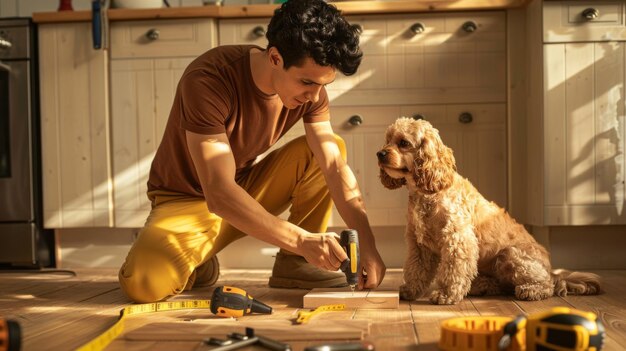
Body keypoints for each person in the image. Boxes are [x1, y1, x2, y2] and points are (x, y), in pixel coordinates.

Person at [118, 0, 386, 303]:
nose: (314, 95)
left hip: (243, 190)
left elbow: (334, 168)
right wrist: (301, 239)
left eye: (323, 84)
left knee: (331, 147)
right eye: (306, 82)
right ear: (274, 57)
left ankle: (293, 263)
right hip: (188, 200)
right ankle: (201, 259)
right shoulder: (209, 78)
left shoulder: (312, 93)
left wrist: (370, 245)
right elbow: (218, 193)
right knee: (143, 284)